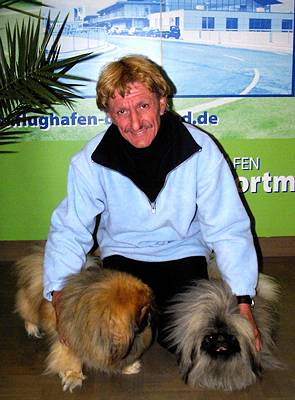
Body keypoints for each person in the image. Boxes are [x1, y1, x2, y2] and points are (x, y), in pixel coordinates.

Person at [44, 54, 262, 352]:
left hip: (183, 252)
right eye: (121, 111)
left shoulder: (201, 150)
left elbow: (227, 225)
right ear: (110, 114)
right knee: (114, 344)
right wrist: (59, 297)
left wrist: (243, 300)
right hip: (123, 258)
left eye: (143, 106)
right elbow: (70, 229)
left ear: (162, 103)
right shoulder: (90, 160)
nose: (134, 122)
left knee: (182, 340)